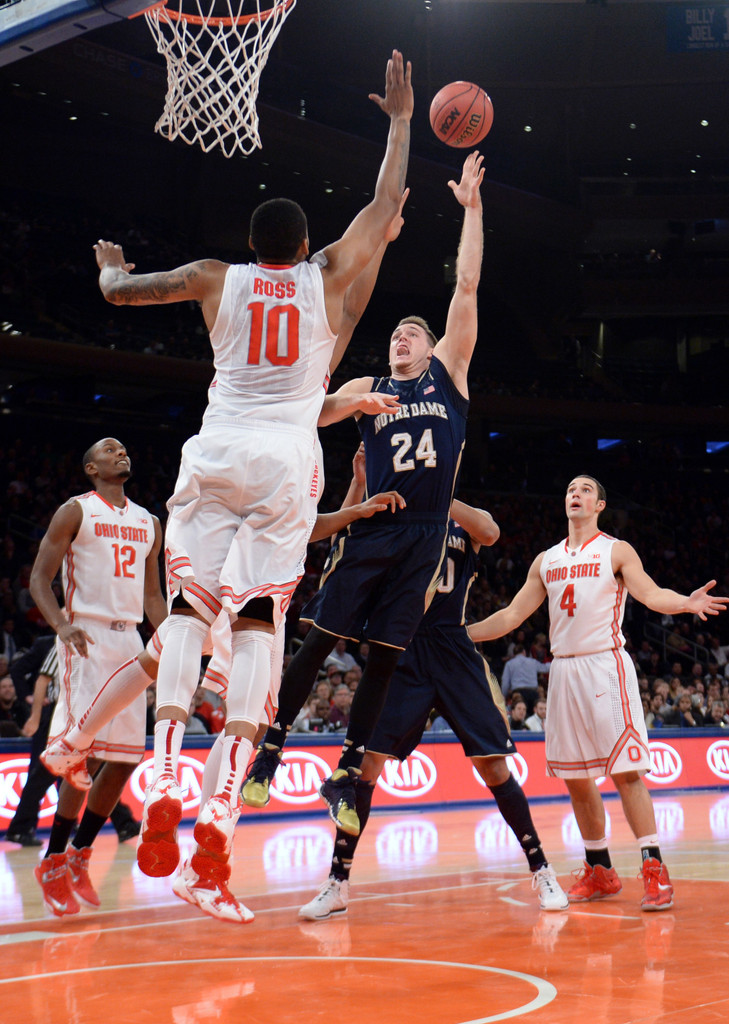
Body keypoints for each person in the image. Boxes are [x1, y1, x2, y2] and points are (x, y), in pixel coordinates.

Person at [89, 51, 413, 908]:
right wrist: (400, 122)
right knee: (263, 620)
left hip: (217, 446)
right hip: (285, 456)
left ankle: (161, 780)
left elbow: (123, 293)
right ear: (306, 248)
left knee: (192, 613)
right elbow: (382, 211)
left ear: (252, 247)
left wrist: (107, 269)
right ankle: (218, 818)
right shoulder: (326, 279)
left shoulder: (210, 279)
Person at [243, 149, 487, 838]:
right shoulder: (363, 389)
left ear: (433, 347)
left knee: (383, 654)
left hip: (425, 534)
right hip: (373, 531)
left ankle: (349, 768)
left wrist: (471, 212)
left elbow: (466, 286)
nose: (398, 338)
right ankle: (269, 747)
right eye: (394, 334)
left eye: (410, 333)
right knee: (319, 641)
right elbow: (307, 415)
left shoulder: (446, 378)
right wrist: (354, 409)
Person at [297, 470, 567, 921]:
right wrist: (365, 480)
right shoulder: (393, 513)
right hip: (400, 648)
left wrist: (440, 494)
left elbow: (491, 531)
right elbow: (346, 532)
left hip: (453, 647)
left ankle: (541, 868)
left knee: (493, 766)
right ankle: (337, 882)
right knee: (366, 766)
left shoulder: (458, 518)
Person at [469, 474, 729, 912]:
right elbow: (512, 614)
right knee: (576, 777)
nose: (576, 493)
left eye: (586, 490)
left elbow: (649, 594)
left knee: (626, 772)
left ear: (600, 506)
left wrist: (685, 602)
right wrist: (457, 635)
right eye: (571, 488)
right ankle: (600, 868)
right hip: (564, 670)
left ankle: (654, 869)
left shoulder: (616, 549)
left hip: (605, 665)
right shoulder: (546, 560)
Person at [29, 437, 166, 917]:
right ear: (91, 468)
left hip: (131, 639)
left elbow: (152, 594)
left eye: (125, 449)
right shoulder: (75, 510)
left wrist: (170, 638)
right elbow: (38, 578)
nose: (120, 452)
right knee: (81, 754)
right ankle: (52, 859)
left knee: (125, 760)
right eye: (109, 450)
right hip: (85, 635)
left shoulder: (150, 522)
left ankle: (81, 854)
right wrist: (62, 626)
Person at [500, 644, 549, 714]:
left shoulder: (509, 664)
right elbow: (545, 668)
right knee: (534, 716)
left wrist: (504, 695)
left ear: (514, 655)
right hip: (533, 693)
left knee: (520, 715)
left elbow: (505, 683)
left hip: (518, 693)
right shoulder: (532, 661)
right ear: (524, 652)